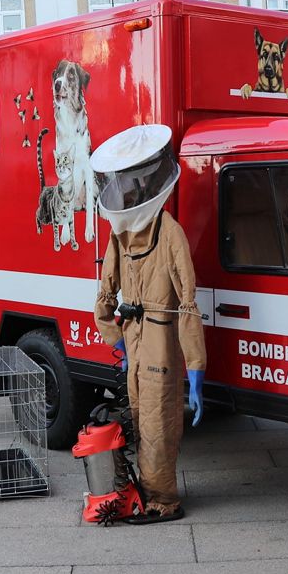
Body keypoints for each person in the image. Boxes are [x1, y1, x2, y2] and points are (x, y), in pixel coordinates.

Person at [92, 124, 206, 525]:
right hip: (141, 336)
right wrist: (120, 342)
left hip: (153, 338)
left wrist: (195, 366)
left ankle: (164, 500)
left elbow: (185, 302)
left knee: (158, 421)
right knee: (142, 418)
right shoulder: (127, 233)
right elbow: (106, 294)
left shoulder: (158, 232)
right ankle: (148, 490)